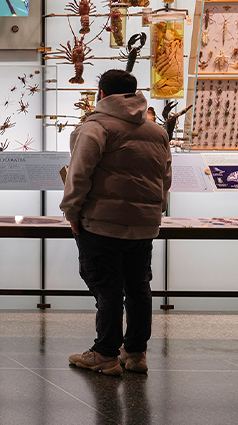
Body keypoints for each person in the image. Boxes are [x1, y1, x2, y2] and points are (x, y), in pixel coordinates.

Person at [60, 68, 172, 377]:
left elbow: (78, 175)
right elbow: (165, 178)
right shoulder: (157, 131)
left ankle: (105, 354)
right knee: (138, 287)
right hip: (143, 225)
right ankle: (135, 354)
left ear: (102, 94)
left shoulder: (95, 128)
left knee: (105, 286)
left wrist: (72, 212)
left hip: (102, 222)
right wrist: (155, 211)